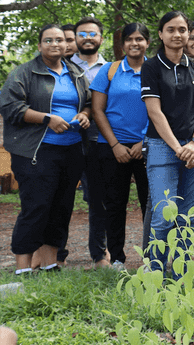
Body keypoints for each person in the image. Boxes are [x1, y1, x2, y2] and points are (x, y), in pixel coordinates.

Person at [1, 25, 91, 274]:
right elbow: (9, 106)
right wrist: (46, 118)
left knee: (61, 208)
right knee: (36, 207)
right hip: (36, 152)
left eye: (60, 40)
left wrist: (84, 114)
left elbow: (90, 103)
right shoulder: (24, 73)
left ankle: (51, 265)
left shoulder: (75, 73)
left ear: (67, 45)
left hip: (71, 151)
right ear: (40, 45)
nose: (55, 44)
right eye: (48, 40)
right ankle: (23, 269)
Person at [141, 11, 194, 271]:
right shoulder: (151, 66)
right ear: (161, 34)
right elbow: (154, 112)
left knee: (187, 218)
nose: (177, 34)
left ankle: (183, 276)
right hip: (162, 148)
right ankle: (155, 275)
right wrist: (179, 148)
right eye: (171, 29)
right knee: (163, 216)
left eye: (182, 30)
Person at [88, 23, 151, 270]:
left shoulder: (155, 70)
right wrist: (115, 144)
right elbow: (97, 110)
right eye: (129, 40)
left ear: (147, 42)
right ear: (122, 44)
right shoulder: (109, 70)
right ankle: (117, 259)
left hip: (149, 145)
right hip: (112, 148)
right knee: (114, 205)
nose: (134, 44)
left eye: (139, 39)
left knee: (151, 204)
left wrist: (143, 141)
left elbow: (164, 110)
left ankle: (151, 260)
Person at [69, 16, 108, 266]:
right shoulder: (63, 66)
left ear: (100, 39)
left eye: (92, 34)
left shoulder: (111, 69)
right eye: (82, 34)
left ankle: (99, 254)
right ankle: (55, 255)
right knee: (59, 197)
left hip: (98, 140)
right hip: (65, 140)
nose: (87, 38)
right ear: (75, 38)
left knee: (99, 200)